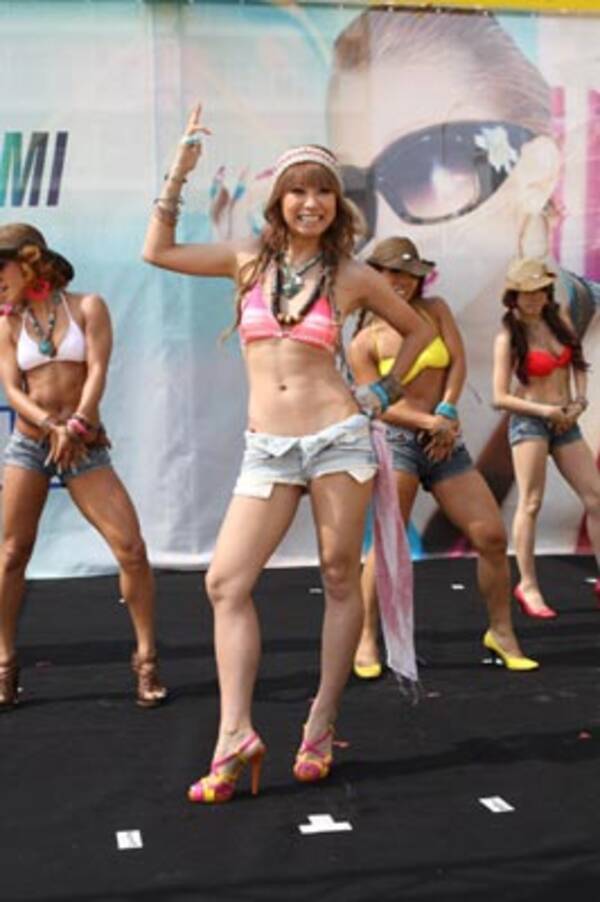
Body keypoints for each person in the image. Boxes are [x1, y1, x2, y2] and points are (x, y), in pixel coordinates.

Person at [143, 105, 432, 803]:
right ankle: (235, 732)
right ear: (279, 200)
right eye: (299, 190)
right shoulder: (246, 259)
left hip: (338, 440)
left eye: (324, 191)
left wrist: (382, 392)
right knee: (225, 583)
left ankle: (321, 721)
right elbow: (158, 251)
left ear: (337, 204)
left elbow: (420, 333)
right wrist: (178, 174)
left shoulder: (353, 275)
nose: (311, 202)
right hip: (268, 448)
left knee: (338, 577)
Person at [328, 6, 599, 556]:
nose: (388, 226)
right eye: (357, 189)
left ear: (535, 169)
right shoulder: (373, 342)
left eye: (430, 165)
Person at [349, 237, 538, 677]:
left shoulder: (435, 310)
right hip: (398, 443)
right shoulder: (364, 341)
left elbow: (456, 363)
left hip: (445, 440)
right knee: (388, 544)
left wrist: (448, 411)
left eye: (409, 274)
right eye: (392, 273)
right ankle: (366, 639)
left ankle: (501, 632)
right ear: (374, 276)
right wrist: (429, 422)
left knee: (491, 536)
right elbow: (375, 405)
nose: (402, 282)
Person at [0, 223, 167, 710]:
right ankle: (4, 662)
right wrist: (51, 426)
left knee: (131, 548)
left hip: (83, 442)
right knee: (11, 554)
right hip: (31, 444)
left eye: (1, 267)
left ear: (30, 262)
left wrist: (76, 424)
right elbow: (12, 390)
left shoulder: (88, 307)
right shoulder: (7, 325)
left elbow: (97, 371)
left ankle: (146, 659)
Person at [493, 257, 600, 616]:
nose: (534, 298)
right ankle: (528, 584)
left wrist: (579, 400)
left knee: (595, 496)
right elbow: (500, 396)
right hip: (531, 422)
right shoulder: (509, 336)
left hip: (565, 419)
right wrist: (544, 412)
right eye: (527, 292)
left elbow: (578, 362)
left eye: (539, 291)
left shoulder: (559, 320)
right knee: (531, 503)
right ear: (514, 295)